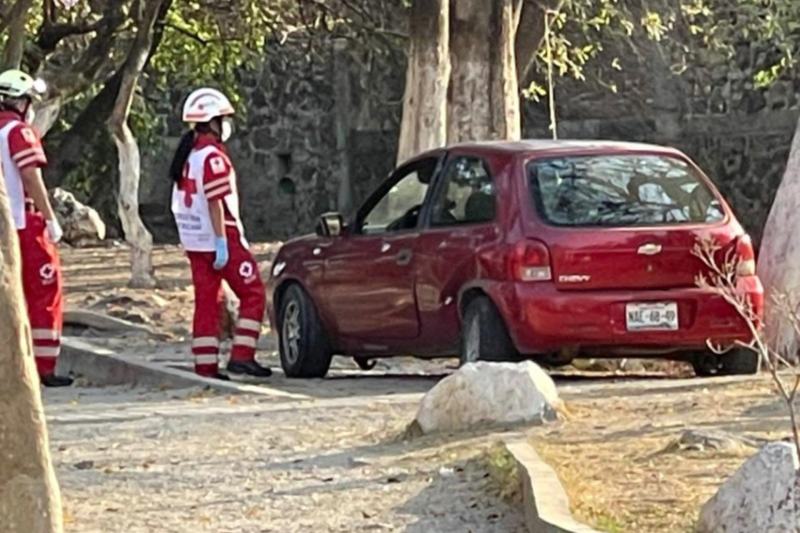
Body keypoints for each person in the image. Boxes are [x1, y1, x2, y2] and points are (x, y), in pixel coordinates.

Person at [169, 87, 271, 380]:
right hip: (219, 235)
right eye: (224, 118)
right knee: (253, 294)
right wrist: (221, 242)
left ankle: (206, 364)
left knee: (207, 301)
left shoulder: (189, 156)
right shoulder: (213, 157)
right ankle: (242, 355)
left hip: (194, 240)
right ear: (213, 121)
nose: (227, 124)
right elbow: (215, 202)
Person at [0, 69, 71, 387]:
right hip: (24, 224)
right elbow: (31, 176)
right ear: (20, 101)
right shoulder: (18, 132)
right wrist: (51, 218)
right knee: (44, 293)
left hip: (5, 227)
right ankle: (44, 367)